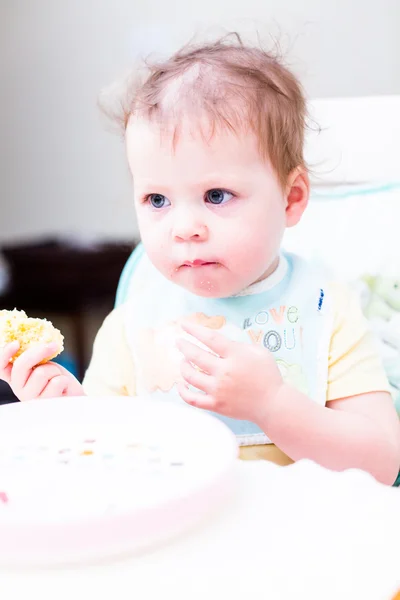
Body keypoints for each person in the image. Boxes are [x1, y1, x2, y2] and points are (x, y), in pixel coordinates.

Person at [1, 35, 399, 484]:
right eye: (156, 199)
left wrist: (271, 404)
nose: (183, 227)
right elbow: (101, 458)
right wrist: (63, 413)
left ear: (291, 198)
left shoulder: (325, 308)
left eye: (216, 195)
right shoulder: (134, 325)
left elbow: (382, 464)